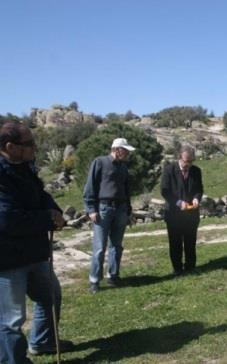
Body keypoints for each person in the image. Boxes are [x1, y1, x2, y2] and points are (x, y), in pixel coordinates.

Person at [0, 122, 73, 363]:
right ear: (10, 147)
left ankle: (42, 342)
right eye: (29, 144)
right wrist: (46, 218)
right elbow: (7, 219)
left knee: (50, 296)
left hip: (35, 252)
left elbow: (41, 195)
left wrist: (54, 210)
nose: (35, 147)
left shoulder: (25, 167)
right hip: (8, 260)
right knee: (11, 320)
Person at [83, 138, 135, 294]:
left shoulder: (123, 168)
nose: (127, 154)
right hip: (103, 208)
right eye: (125, 151)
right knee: (99, 247)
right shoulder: (99, 162)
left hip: (120, 209)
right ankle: (94, 280)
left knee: (116, 245)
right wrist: (91, 209)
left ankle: (113, 275)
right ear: (117, 149)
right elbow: (90, 186)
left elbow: (127, 191)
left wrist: (128, 211)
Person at [160, 146, 203, 276]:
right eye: (186, 161)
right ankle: (177, 269)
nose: (188, 165)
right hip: (174, 214)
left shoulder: (196, 171)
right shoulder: (169, 170)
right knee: (175, 242)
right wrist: (178, 203)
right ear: (180, 158)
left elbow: (199, 189)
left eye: (190, 162)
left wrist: (196, 199)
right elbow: (164, 191)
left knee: (190, 241)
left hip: (191, 214)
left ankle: (190, 267)